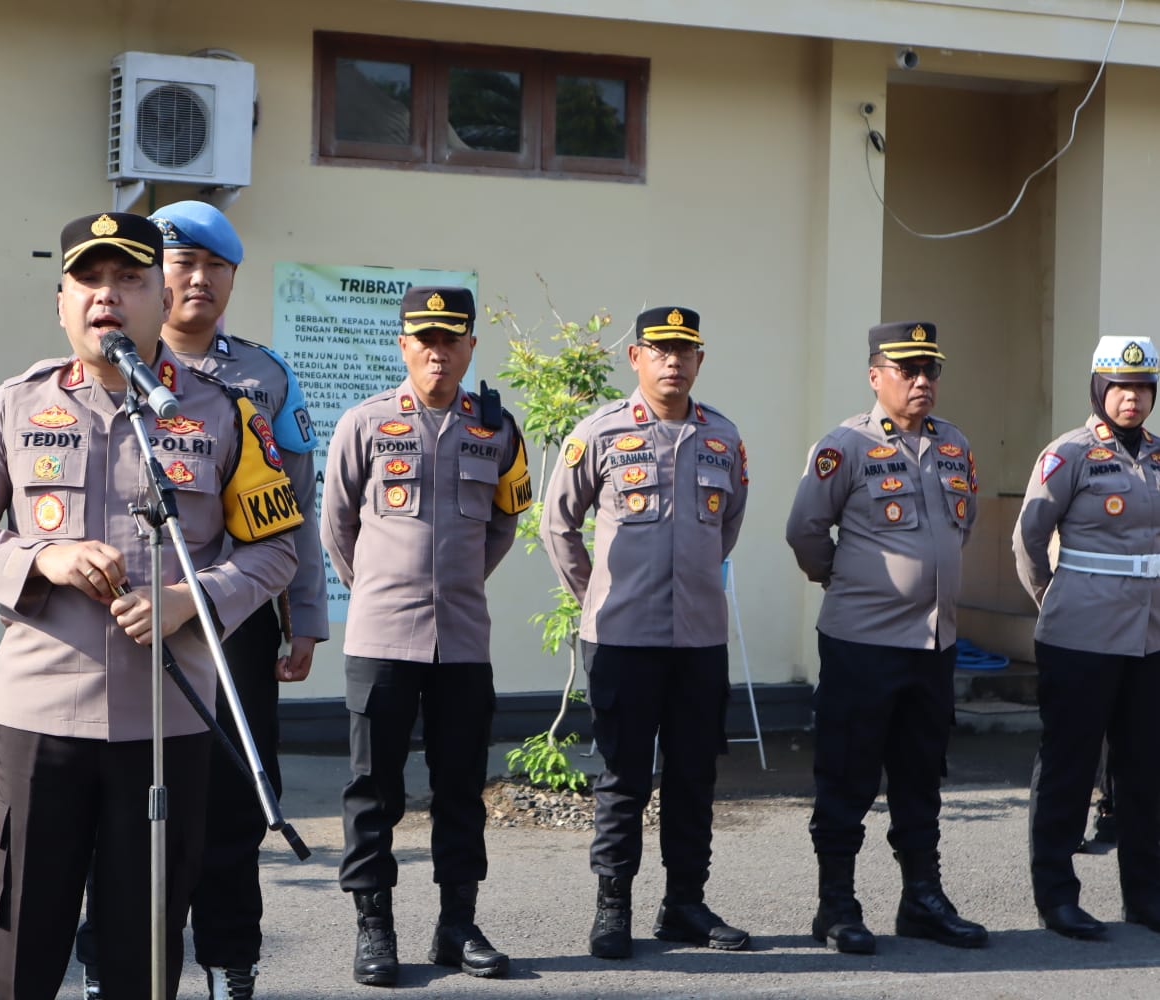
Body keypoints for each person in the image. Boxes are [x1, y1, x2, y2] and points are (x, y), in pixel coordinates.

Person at [0, 211, 301, 1000]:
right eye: (89, 280)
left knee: (144, 957)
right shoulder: (14, 406)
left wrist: (189, 601)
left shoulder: (226, 413)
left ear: (161, 298)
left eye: (129, 279)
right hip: (40, 724)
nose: (107, 296)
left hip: (167, 725)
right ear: (61, 302)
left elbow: (275, 551)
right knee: (19, 952)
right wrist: (43, 558)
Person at [320, 285, 531, 987]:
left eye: (451, 339)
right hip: (380, 639)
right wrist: (380, 589)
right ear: (404, 345)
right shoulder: (364, 423)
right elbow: (336, 524)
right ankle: (374, 928)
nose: (438, 352)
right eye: (425, 339)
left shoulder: (497, 429)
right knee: (371, 790)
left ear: (470, 346)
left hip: (463, 641)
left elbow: (504, 522)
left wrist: (457, 584)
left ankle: (457, 926)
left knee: (461, 788)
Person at [153, 200, 329, 999]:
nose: (199, 279)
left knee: (235, 800)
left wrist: (306, 619)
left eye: (215, 267)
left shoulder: (265, 375)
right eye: (183, 263)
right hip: (137, 625)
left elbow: (298, 507)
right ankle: (120, 965)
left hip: (238, 624)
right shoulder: (112, 369)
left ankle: (231, 964)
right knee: (130, 810)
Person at [539, 306, 750, 959]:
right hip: (621, 641)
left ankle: (684, 904)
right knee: (623, 778)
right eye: (660, 350)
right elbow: (557, 525)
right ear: (636, 357)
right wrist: (597, 596)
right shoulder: (600, 431)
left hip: (699, 640)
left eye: (684, 351)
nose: (673, 361)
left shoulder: (722, 437)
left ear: (699, 359)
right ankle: (613, 908)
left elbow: (729, 524)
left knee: (693, 777)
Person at [784, 321, 987, 956]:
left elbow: (964, 525)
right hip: (862, 644)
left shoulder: (954, 444)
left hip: (933, 645)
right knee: (847, 775)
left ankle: (922, 899)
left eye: (931, 370)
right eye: (908, 370)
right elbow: (805, 531)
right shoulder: (845, 445)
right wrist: (846, 580)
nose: (922, 380)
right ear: (876, 376)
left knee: (921, 777)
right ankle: (837, 906)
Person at [1012, 335, 1160, 940]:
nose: (1132, 399)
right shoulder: (1068, 453)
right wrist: (1055, 601)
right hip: (1080, 635)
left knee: (1145, 770)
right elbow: (1028, 542)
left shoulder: (1158, 456)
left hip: (1149, 637)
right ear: (1100, 389)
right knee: (1069, 766)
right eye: (1121, 387)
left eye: (1143, 387)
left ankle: (1145, 896)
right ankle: (1057, 898)